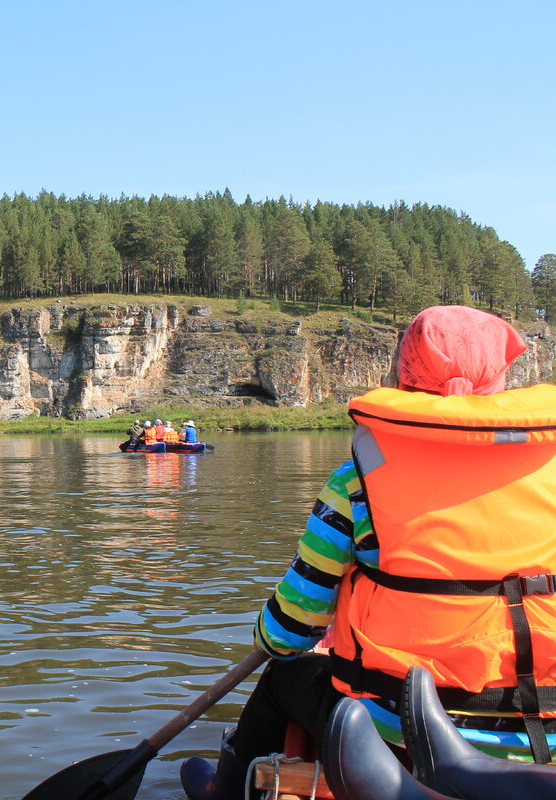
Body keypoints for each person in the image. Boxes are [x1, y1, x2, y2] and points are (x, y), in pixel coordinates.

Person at [180, 305, 556, 800]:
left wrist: (271, 637)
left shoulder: (357, 481)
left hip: (392, 720)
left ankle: (224, 791)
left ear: (406, 373)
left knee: (285, 673)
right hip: (546, 723)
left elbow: (290, 629)